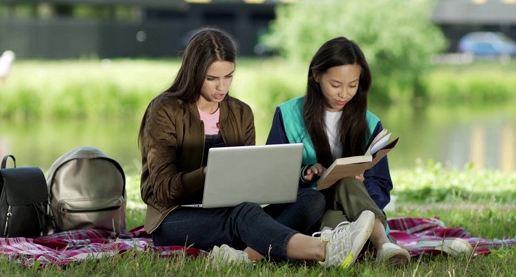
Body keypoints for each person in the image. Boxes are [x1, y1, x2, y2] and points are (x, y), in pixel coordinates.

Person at [139, 27, 376, 268]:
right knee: (243, 214)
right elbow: (159, 191)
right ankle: (322, 250)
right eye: (212, 78)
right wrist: (205, 175)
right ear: (193, 72)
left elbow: (252, 180)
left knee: (311, 200)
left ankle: (245, 255)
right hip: (175, 217)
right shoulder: (165, 110)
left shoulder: (241, 112)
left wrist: (301, 175)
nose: (222, 87)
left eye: (229, 76)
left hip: (235, 213)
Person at [266, 36, 412, 267]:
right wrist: (305, 174)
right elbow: (272, 176)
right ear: (316, 76)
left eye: (352, 85)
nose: (344, 94)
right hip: (308, 208)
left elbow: (382, 185)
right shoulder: (287, 115)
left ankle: (377, 245)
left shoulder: (370, 123)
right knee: (337, 214)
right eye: (336, 85)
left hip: (351, 208)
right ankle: (382, 243)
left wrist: (364, 185)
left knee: (349, 183)